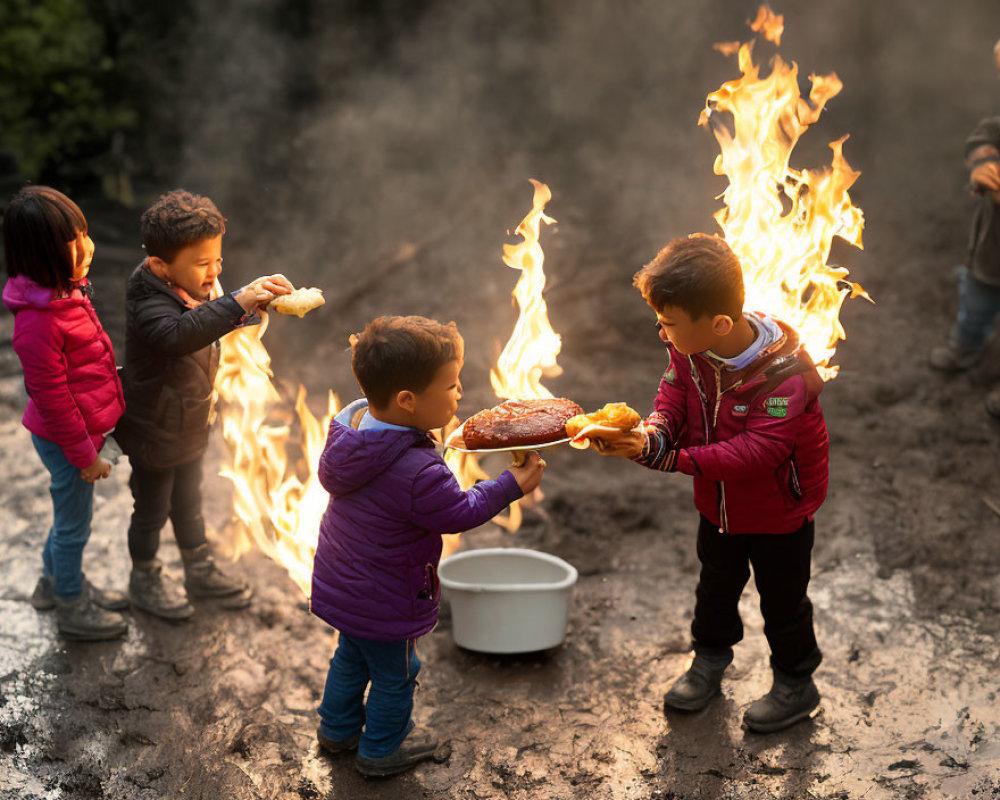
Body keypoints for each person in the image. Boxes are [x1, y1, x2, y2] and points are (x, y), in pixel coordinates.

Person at [588, 235, 828, 733]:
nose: (661, 331)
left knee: (783, 600)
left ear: (718, 324)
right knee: (715, 588)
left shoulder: (784, 379)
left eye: (670, 323)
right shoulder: (693, 351)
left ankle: (795, 684)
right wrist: (651, 435)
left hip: (778, 512)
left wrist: (670, 459)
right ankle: (709, 662)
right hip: (719, 508)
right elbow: (674, 394)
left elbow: (757, 453)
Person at [310, 315, 545, 777]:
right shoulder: (419, 471)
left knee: (350, 656)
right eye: (452, 385)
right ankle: (380, 750)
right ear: (407, 400)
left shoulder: (352, 431)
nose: (460, 394)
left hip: (341, 582)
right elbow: (459, 512)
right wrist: (510, 485)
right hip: (386, 597)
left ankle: (336, 731)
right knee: (397, 674)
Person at [113, 189, 292, 620]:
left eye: (218, 262)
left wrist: (254, 301)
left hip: (190, 420)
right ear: (160, 266)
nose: (213, 272)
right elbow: (180, 335)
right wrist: (236, 303)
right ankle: (145, 576)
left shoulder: (195, 282)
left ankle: (198, 568)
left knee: (189, 501)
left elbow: (213, 319)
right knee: (152, 508)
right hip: (153, 428)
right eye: (202, 264)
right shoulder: (147, 301)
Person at [2, 186, 129, 641]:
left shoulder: (63, 291)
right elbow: (54, 399)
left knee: (66, 518)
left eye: (85, 233)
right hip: (66, 438)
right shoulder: (37, 321)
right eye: (71, 242)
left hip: (77, 431)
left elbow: (85, 364)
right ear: (40, 255)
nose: (87, 247)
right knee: (75, 525)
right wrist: (84, 457)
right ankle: (72, 605)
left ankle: (52, 583)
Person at [929, 41, 1000, 415]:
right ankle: (967, 345)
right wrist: (983, 165)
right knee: (976, 304)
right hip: (990, 255)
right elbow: (984, 136)